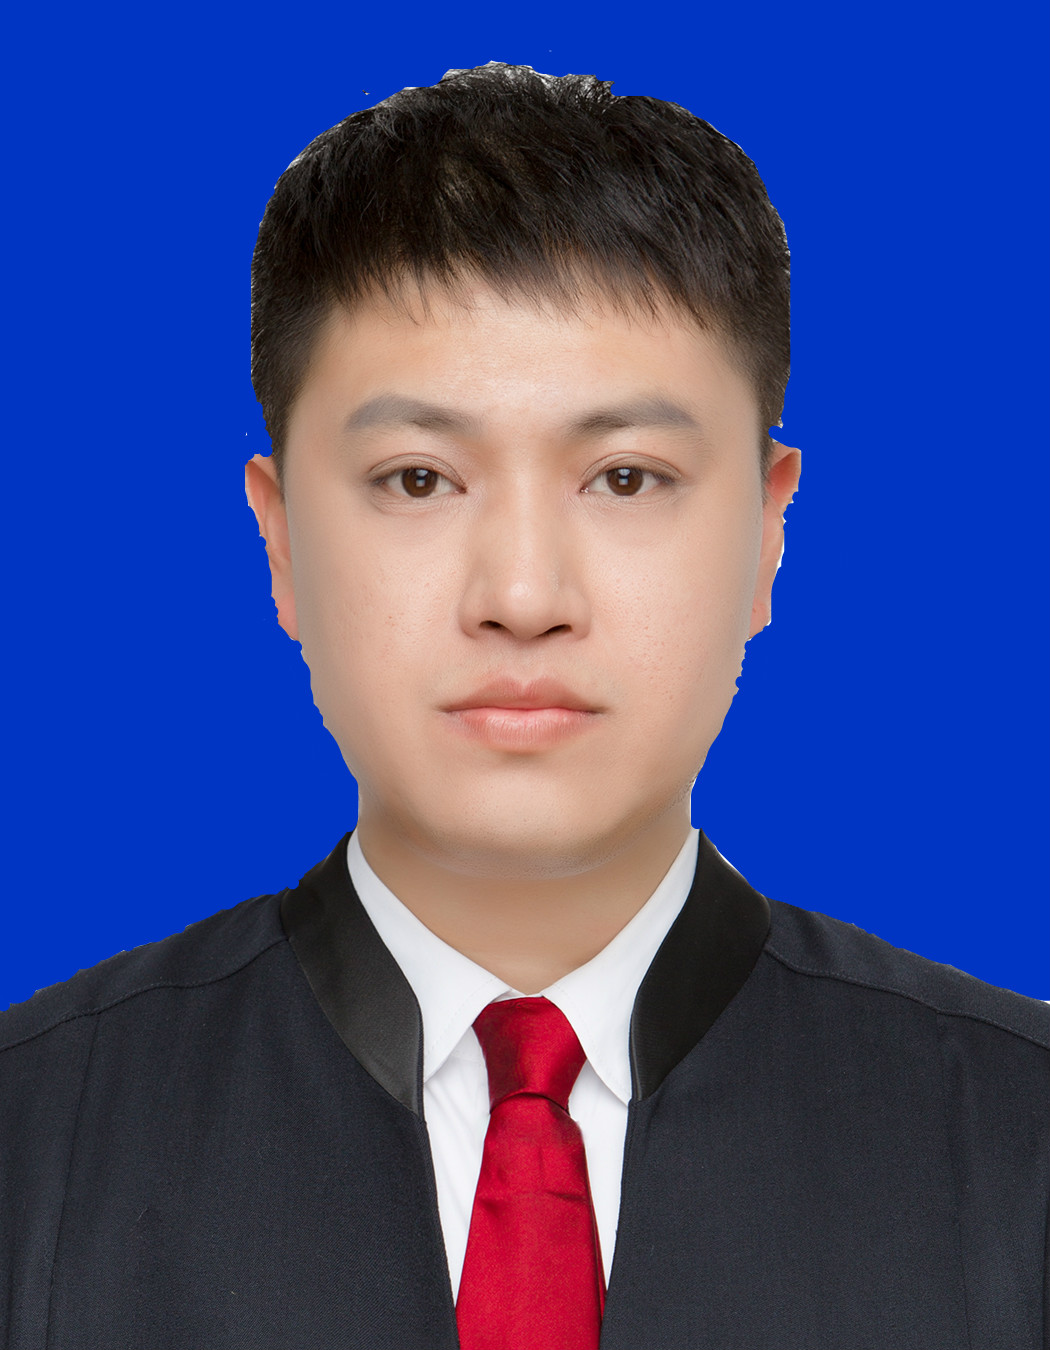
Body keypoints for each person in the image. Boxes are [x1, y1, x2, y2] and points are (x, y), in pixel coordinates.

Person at [1, 61, 1045, 1350]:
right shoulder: (33, 1143)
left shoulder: (1018, 1145)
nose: (523, 596)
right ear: (279, 540)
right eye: (419, 479)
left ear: (771, 533)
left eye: (625, 477)